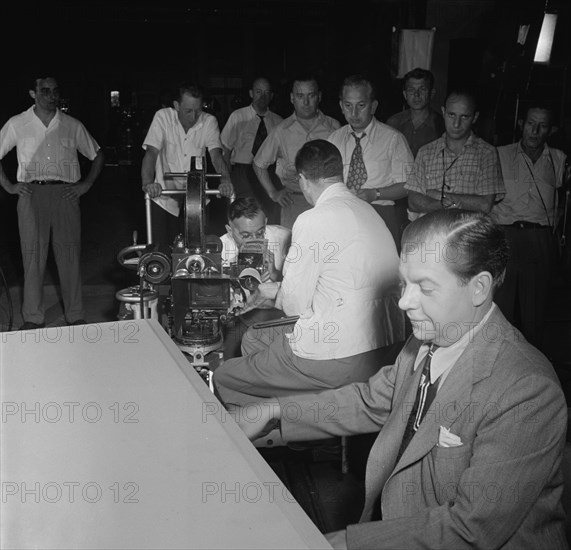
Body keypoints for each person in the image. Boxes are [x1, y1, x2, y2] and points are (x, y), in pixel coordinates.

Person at [228, 209, 568, 550]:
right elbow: (368, 401)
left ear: (479, 287)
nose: (404, 302)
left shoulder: (527, 391)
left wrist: (346, 543)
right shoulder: (426, 341)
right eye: (405, 283)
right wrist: (273, 411)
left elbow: (469, 530)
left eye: (425, 287)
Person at [213, 139, 400, 406]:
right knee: (255, 339)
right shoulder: (368, 210)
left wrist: (273, 291)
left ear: (301, 179)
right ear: (340, 173)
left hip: (343, 354)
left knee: (225, 376)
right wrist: (275, 289)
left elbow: (293, 305)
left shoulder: (312, 220)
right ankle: (303, 421)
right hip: (386, 347)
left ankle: (287, 421)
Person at [0, 76, 104, 330]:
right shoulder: (18, 123)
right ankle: (33, 317)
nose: (51, 96)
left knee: (69, 256)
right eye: (44, 91)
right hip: (31, 194)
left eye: (55, 91)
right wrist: (9, 186)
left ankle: (75, 314)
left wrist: (86, 184)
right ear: (33, 94)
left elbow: (97, 154)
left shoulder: (71, 124)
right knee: (32, 258)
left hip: (65, 195)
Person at [492, 104, 569, 348]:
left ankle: (531, 369)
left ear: (551, 129)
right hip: (505, 235)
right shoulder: (499, 154)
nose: (534, 131)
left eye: (542, 125)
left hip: (539, 239)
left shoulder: (559, 160)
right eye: (530, 124)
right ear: (521, 124)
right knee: (499, 308)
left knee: (534, 313)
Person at [141, 82, 234, 249]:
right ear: (176, 105)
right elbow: (151, 153)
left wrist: (225, 181)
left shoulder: (209, 121)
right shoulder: (162, 117)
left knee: (198, 250)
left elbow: (216, 156)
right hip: (163, 195)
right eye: (188, 111)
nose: (193, 117)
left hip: (196, 199)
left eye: (198, 111)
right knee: (160, 250)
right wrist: (148, 184)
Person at [328, 75, 414, 251]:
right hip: (343, 216)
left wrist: (376, 194)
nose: (354, 113)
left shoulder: (393, 139)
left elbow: (410, 184)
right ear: (341, 106)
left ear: (373, 106)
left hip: (380, 214)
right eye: (348, 106)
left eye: (361, 105)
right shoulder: (334, 140)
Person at [253, 76, 341, 229]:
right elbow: (259, 164)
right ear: (292, 98)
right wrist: (273, 193)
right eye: (300, 96)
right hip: (294, 202)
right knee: (295, 250)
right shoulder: (281, 131)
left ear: (319, 97)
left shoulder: (334, 127)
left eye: (311, 95)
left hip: (328, 202)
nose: (306, 102)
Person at [406, 90, 504, 219]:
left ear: (474, 118)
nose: (456, 124)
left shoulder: (487, 153)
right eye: (451, 115)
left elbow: (485, 205)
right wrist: (444, 205)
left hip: (468, 231)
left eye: (464, 117)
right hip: (432, 229)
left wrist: (436, 195)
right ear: (443, 112)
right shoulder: (425, 152)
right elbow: (413, 201)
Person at [221, 77, 283, 223]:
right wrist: (226, 178)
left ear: (272, 96)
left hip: (268, 173)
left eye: (267, 92)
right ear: (251, 93)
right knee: (242, 215)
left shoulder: (279, 122)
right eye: (258, 92)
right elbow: (225, 151)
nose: (263, 96)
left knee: (268, 215)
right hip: (242, 173)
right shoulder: (237, 117)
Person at [220, 196, 291, 282]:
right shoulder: (220, 250)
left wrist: (275, 274)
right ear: (230, 231)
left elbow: (300, 283)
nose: (254, 240)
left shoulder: (285, 238)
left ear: (265, 223)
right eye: (246, 236)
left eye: (260, 233)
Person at [385, 67, 444, 158]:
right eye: (411, 90)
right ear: (405, 95)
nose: (417, 94)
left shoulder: (441, 125)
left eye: (422, 89)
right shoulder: (394, 122)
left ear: (431, 93)